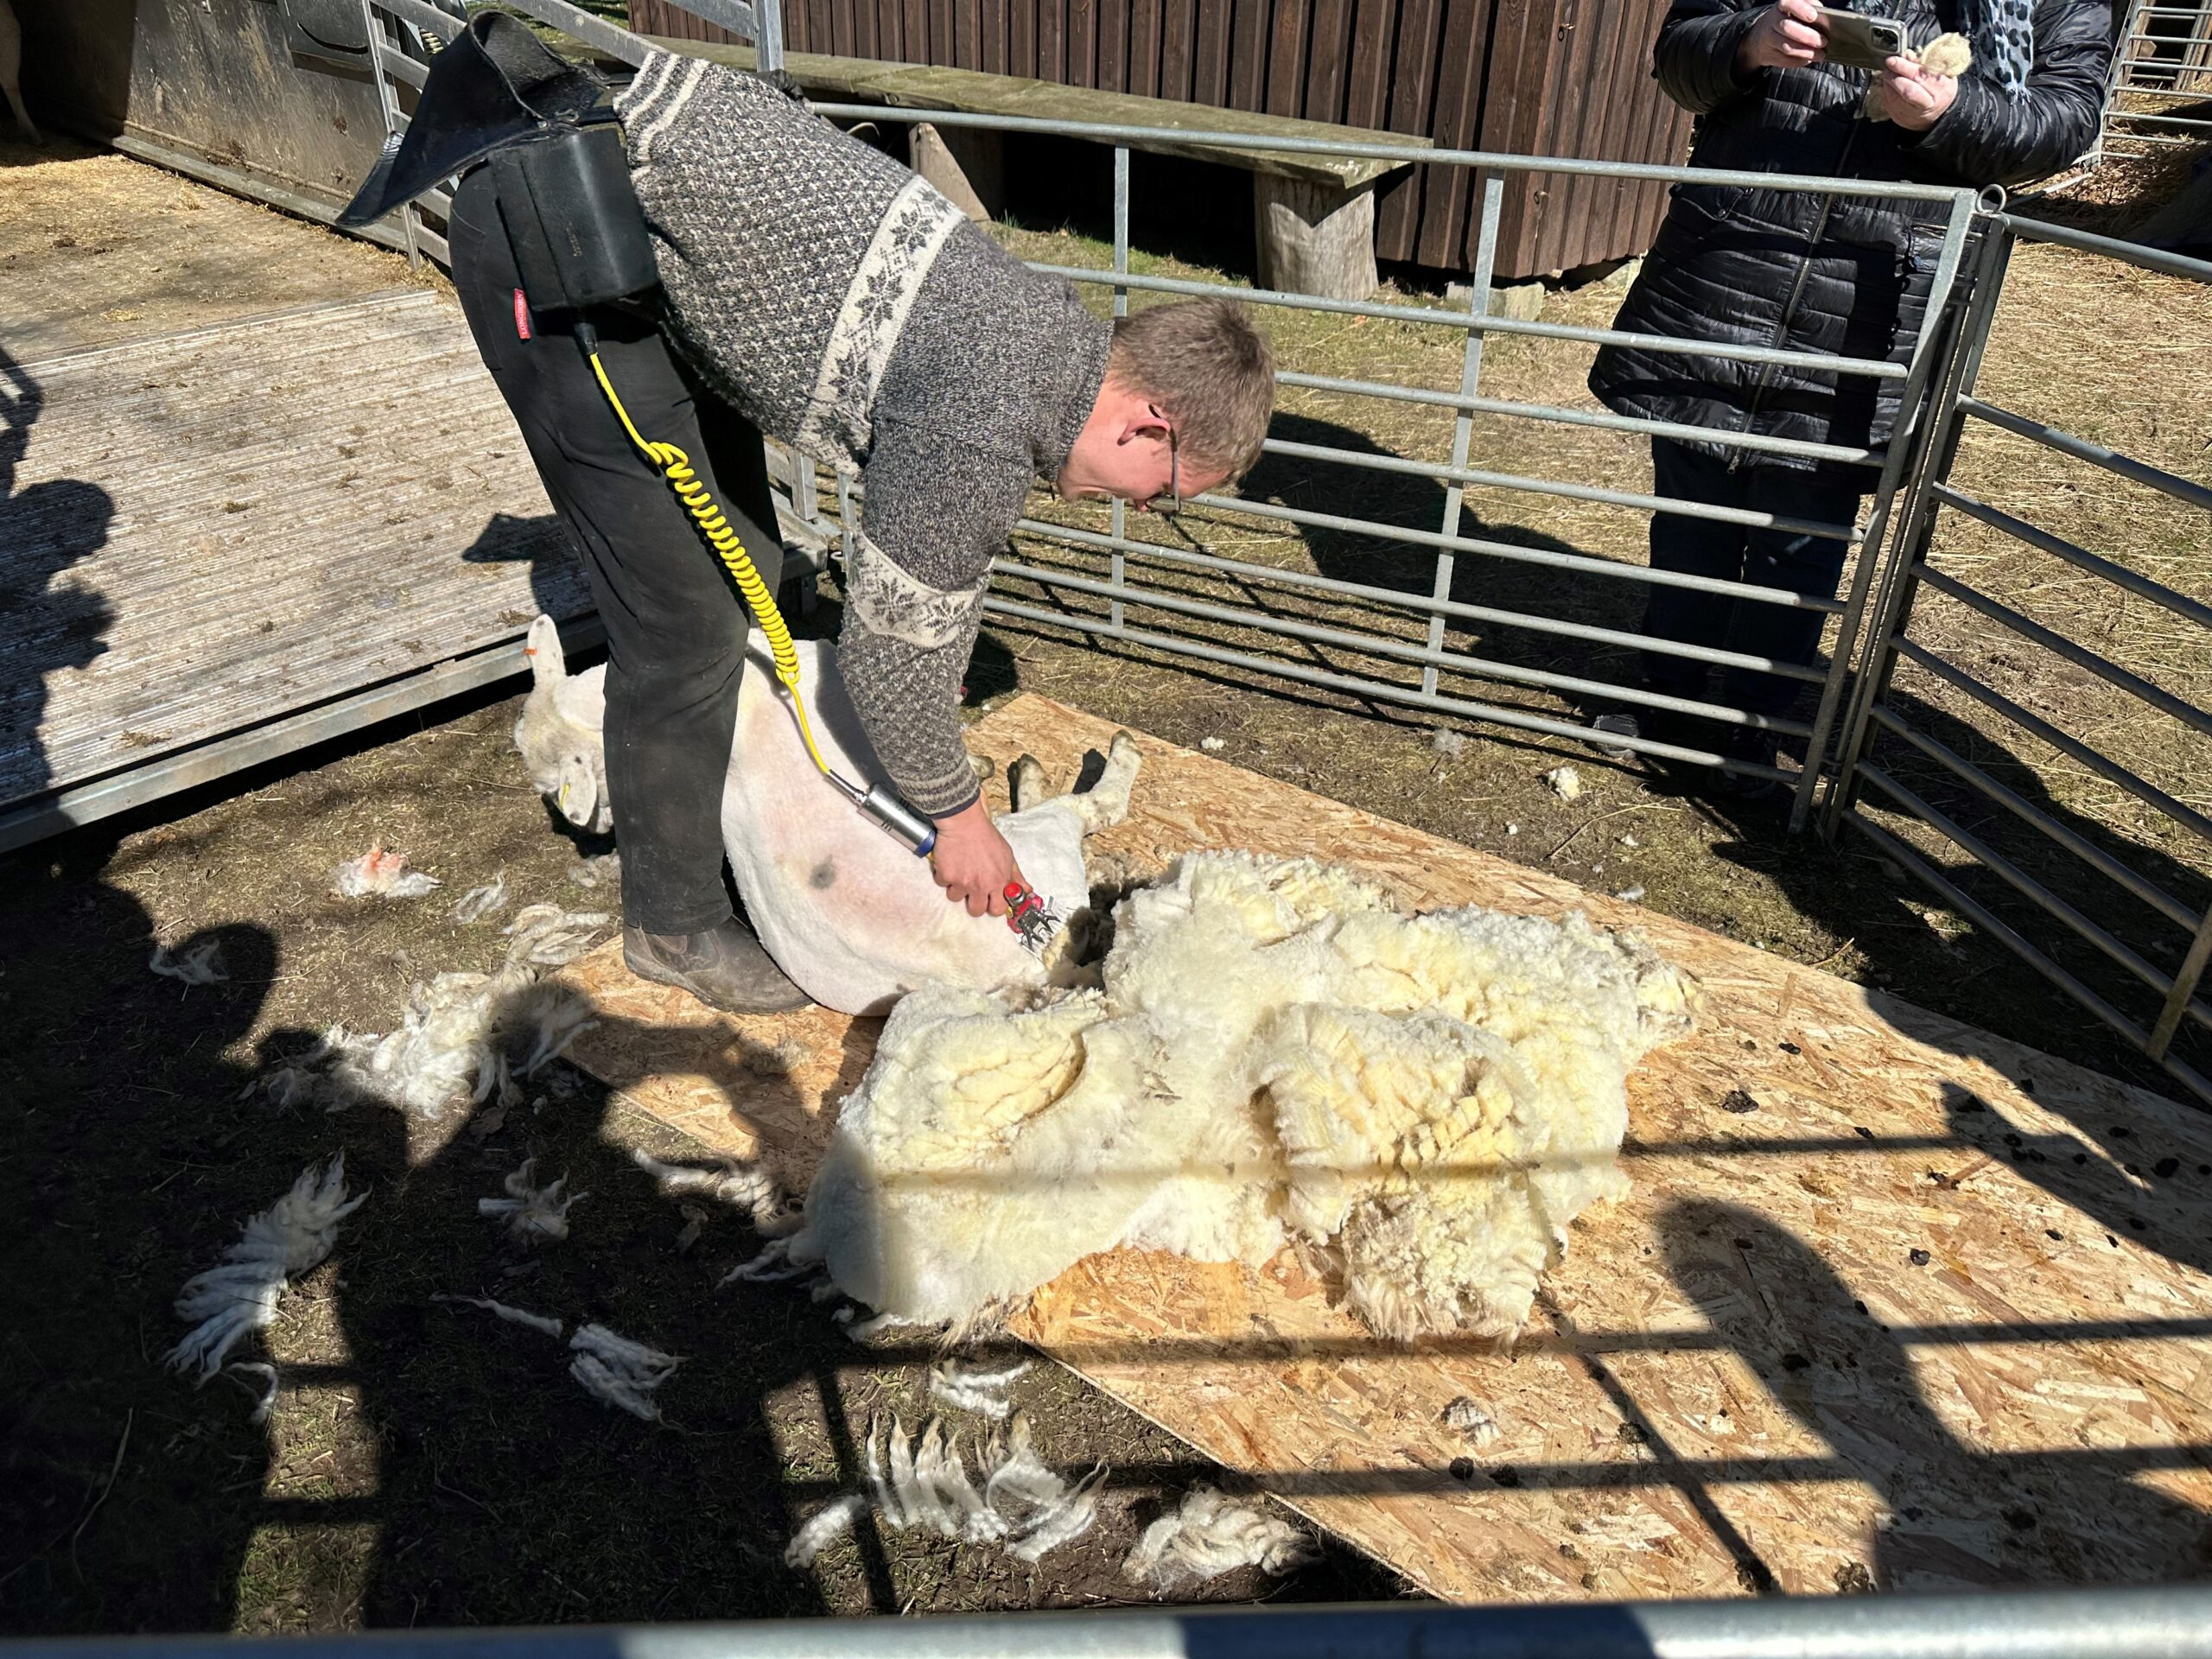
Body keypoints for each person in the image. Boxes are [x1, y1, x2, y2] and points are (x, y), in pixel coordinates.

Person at [365, 23, 1274, 1013]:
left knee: (748, 570)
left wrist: (930, 675)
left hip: (651, 250)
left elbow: (937, 569)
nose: (1139, 508)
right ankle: (672, 924)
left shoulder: (1052, 344)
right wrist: (961, 822)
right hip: (557, 239)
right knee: (683, 624)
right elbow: (891, 654)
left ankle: (719, 812)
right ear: (1149, 424)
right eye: (1161, 491)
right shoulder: (988, 416)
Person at [1586, 0, 2111, 798]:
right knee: (1692, 506)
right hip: (1730, 262)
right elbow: (1679, 58)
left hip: (1878, 302)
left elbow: (2063, 120)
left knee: (1805, 530)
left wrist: (1949, 113)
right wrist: (1747, 42)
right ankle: (1669, 697)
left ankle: (1757, 722)